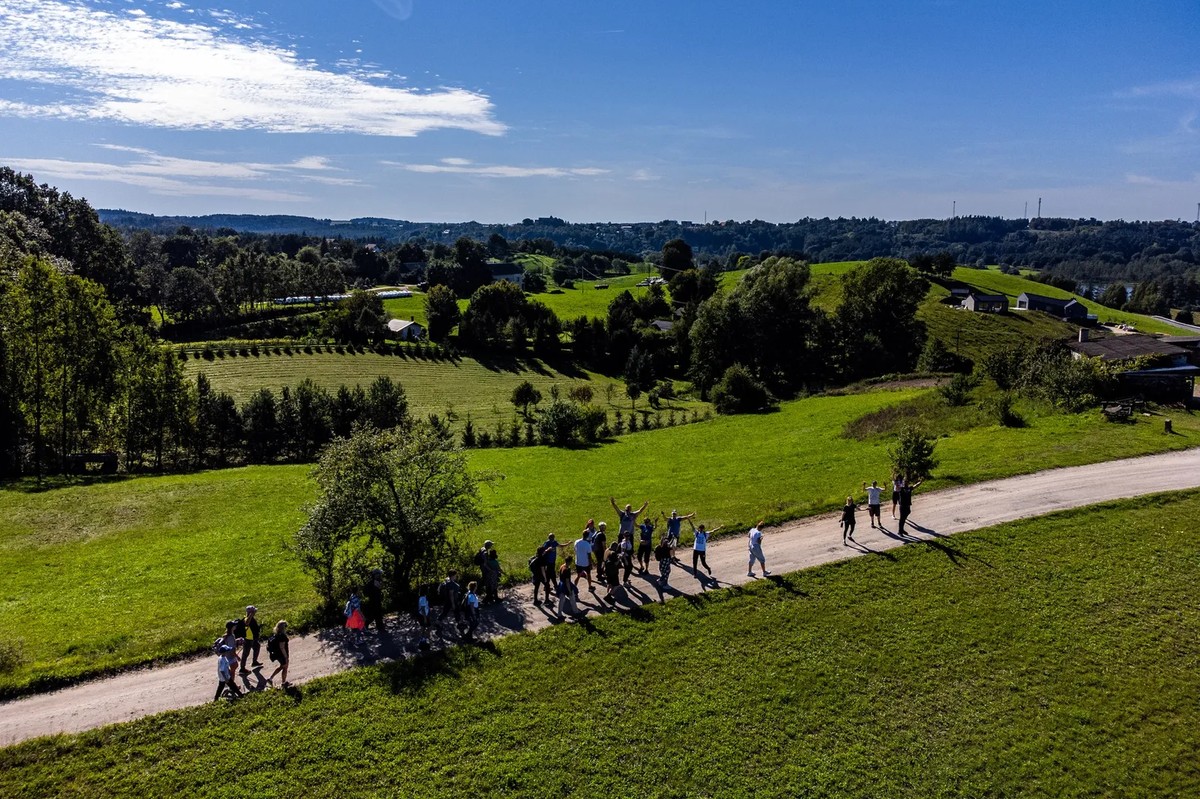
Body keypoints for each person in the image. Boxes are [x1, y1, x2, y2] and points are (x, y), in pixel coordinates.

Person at [235, 605, 262, 673]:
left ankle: (254, 662)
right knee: (245, 654)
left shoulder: (251, 618)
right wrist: (251, 615)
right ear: (251, 612)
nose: (255, 612)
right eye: (254, 611)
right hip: (248, 639)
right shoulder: (246, 619)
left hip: (253, 638)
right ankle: (242, 668)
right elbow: (247, 623)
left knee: (257, 647)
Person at [266, 620, 290, 688]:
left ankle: (270, 679)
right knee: (285, 667)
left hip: (276, 654)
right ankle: (283, 683)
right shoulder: (282, 636)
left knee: (282, 666)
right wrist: (286, 657)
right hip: (282, 654)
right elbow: (282, 647)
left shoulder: (274, 635)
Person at [653, 536, 672, 603]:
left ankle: (662, 581)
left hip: (663, 561)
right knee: (666, 572)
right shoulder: (667, 547)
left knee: (666, 571)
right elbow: (672, 549)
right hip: (665, 560)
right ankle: (663, 584)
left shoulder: (661, 546)